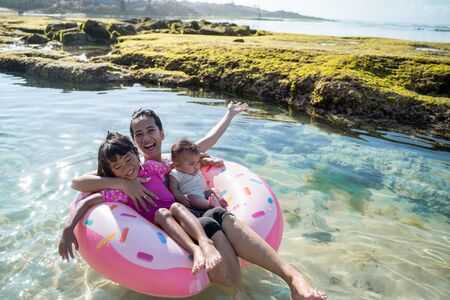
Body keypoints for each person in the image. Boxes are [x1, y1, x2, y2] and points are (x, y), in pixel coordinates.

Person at [70, 102, 327, 300]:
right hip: (176, 223)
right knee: (228, 272)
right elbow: (79, 183)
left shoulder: (168, 163)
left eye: (151, 130)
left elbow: (206, 142)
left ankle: (293, 278)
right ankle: (213, 253)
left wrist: (226, 120)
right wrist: (121, 183)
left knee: (223, 217)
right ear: (135, 142)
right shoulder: (131, 169)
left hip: (195, 212)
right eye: (139, 133)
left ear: (161, 133)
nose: (146, 137)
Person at [59, 131, 222, 275]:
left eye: (128, 159)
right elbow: (87, 202)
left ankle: (205, 243)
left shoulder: (152, 167)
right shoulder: (120, 191)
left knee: (176, 206)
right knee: (163, 212)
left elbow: (175, 165)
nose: (126, 168)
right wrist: (68, 228)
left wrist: (202, 161)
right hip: (159, 229)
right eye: (117, 167)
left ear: (136, 154)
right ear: (111, 173)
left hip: (183, 214)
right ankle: (195, 251)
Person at [169, 138, 228, 211]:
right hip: (190, 199)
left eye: (198, 162)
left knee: (213, 190)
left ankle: (220, 200)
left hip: (203, 194)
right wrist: (180, 197)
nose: (197, 166)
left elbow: (204, 161)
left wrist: (212, 161)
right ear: (177, 165)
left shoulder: (195, 168)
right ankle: (210, 205)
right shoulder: (175, 174)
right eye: (192, 164)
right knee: (192, 198)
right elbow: (173, 189)